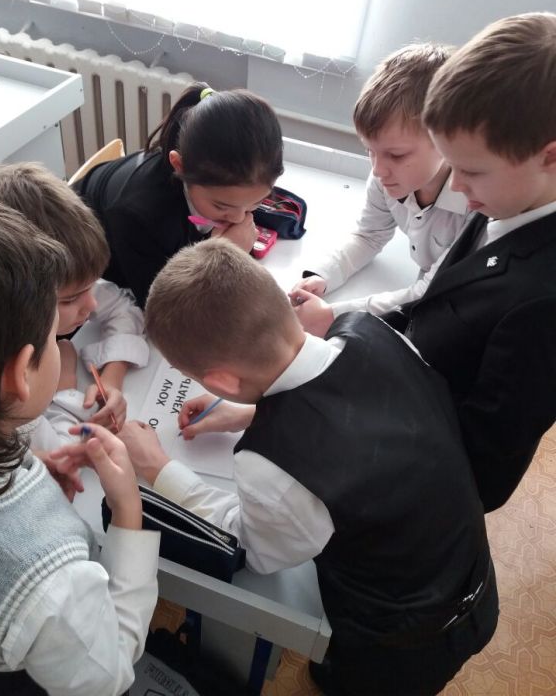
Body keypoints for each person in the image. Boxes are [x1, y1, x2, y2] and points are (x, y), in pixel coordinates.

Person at [115, 238, 498, 696]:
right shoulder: (370, 330)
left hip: (404, 635)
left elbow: (252, 548)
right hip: (468, 567)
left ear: (221, 381)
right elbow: (366, 411)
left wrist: (158, 467)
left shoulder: (272, 467)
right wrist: (253, 411)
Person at [0, 189, 160, 695]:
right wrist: (128, 513)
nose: (65, 342)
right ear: (18, 375)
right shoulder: (45, 580)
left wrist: (26, 469)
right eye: (53, 338)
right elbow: (106, 674)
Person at [379, 12, 556, 512]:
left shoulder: (542, 305)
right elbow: (437, 298)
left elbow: (485, 473)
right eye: (451, 164)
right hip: (397, 398)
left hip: (415, 478)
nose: (455, 186)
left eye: (471, 171)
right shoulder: (504, 195)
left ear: (549, 157)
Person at [290, 43, 469, 336]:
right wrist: (322, 275)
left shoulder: (477, 205)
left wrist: (334, 316)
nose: (377, 170)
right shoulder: (387, 176)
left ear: (447, 140)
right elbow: (369, 235)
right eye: (369, 151)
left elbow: (429, 293)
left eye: (395, 155)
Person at [73, 83, 284, 308]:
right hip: (88, 264)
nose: (239, 218)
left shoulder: (224, 185)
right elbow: (163, 308)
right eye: (221, 206)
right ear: (179, 166)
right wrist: (220, 258)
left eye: (255, 203)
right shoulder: (138, 215)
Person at [0, 162, 149, 445]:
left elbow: (121, 308)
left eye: (91, 286)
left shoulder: (61, 279)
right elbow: (54, 454)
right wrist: (65, 389)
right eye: (70, 299)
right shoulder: (0, 368)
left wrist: (112, 377)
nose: (91, 304)